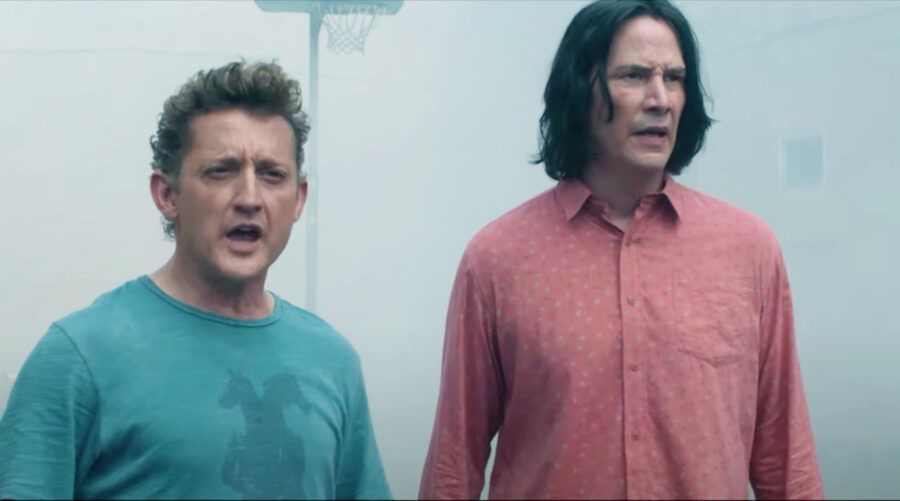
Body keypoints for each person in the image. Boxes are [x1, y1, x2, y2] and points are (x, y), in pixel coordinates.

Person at [419, 1, 823, 499]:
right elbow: (453, 464)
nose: (660, 99)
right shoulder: (498, 260)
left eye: (674, 78)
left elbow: (786, 460)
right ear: (579, 90)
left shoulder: (748, 250)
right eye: (633, 76)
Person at [0, 61, 391, 500]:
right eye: (221, 171)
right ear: (167, 195)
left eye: (272, 174)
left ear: (298, 199)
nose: (250, 198)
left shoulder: (333, 361)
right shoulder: (78, 356)